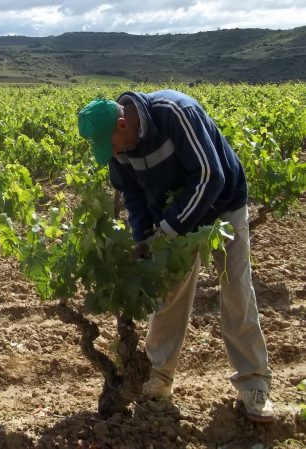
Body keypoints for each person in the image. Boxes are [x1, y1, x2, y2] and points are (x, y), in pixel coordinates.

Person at [77, 90, 274, 423]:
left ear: (123, 124)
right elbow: (133, 195)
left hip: (223, 205)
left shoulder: (176, 113)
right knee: (168, 293)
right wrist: (142, 238)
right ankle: (158, 377)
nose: (111, 153)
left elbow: (211, 176)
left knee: (236, 291)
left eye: (110, 145)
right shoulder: (117, 147)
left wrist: (167, 230)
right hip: (173, 212)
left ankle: (254, 385)